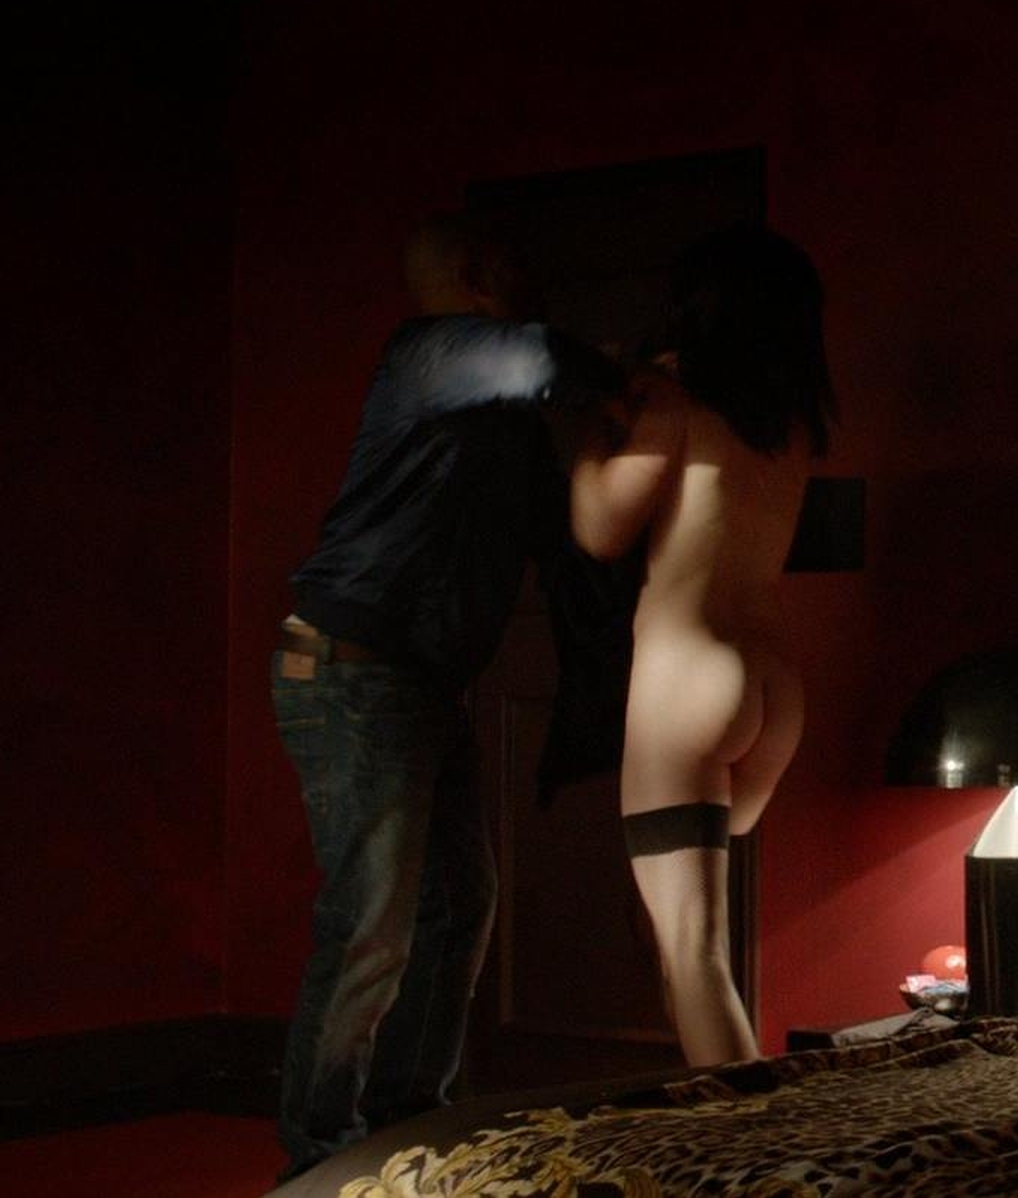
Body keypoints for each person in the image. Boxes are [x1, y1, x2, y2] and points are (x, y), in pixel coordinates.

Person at [271, 212, 614, 1178]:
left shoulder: (501, 420)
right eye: (516, 260)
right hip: (353, 667)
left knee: (460, 903)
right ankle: (319, 1159)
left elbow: (569, 541)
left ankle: (405, 1120)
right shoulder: (430, 353)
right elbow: (547, 358)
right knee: (371, 919)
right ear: (476, 271)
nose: (533, 273)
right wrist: (639, 377)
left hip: (420, 681)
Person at [571, 225, 833, 1065]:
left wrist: (592, 428)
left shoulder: (669, 396)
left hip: (688, 674)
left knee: (694, 953)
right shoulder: (789, 422)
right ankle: (721, 1119)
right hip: (771, 686)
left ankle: (752, 1142)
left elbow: (600, 527)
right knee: (688, 942)